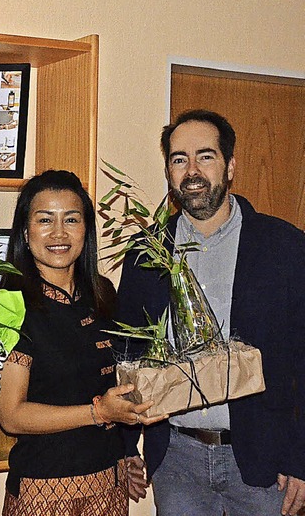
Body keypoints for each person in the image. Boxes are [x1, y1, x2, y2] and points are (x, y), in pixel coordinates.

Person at [119, 109, 305, 516]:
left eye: (205, 156)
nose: (192, 171)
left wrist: (301, 460)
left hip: (263, 461)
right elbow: (126, 353)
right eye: (179, 158)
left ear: (230, 165)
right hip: (176, 460)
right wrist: (124, 445)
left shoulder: (285, 248)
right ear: (168, 170)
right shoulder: (145, 253)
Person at [0, 170, 166, 516]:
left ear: (86, 230)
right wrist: (98, 412)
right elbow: (10, 415)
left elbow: (112, 383)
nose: (59, 233)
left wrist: (126, 452)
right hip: (44, 489)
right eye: (45, 220)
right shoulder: (9, 305)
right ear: (26, 233)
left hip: (109, 486)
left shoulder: (101, 294)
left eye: (71, 219)